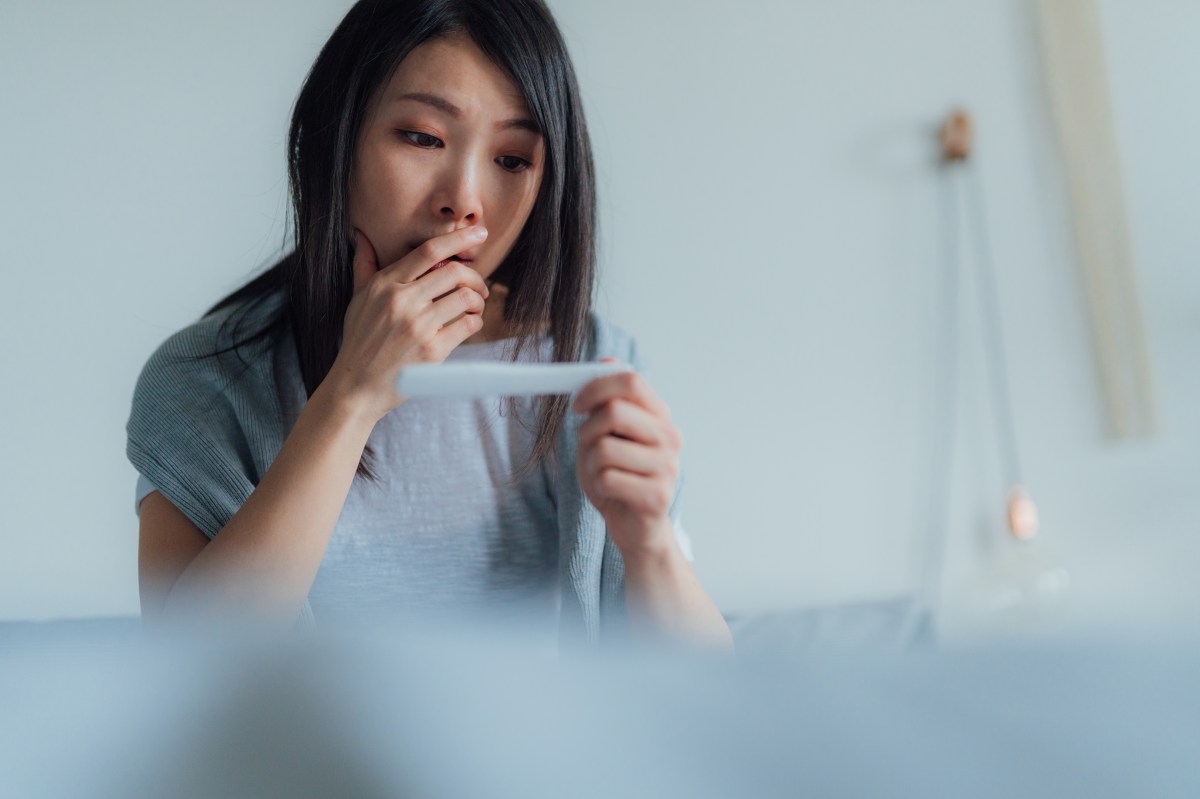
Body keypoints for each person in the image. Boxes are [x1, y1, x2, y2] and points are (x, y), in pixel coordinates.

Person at [128, 0, 731, 648]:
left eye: (511, 159)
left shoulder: (588, 364)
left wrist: (651, 545)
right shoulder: (206, 381)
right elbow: (187, 678)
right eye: (422, 137)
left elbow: (703, 700)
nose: (465, 200)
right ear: (336, 135)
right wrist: (350, 399)